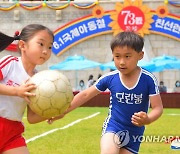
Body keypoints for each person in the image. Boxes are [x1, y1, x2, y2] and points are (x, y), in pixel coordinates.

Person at [50, 31, 163, 154]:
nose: (122, 62)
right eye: (117, 56)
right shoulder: (110, 78)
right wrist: (63, 111)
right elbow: (85, 94)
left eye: (127, 56)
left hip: (135, 133)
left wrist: (148, 119)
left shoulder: (148, 79)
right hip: (113, 127)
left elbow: (158, 108)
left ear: (140, 55)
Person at [0, 24, 54, 154]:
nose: (46, 51)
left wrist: (51, 111)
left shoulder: (38, 79)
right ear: (23, 45)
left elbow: (31, 117)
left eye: (50, 47)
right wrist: (17, 91)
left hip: (12, 133)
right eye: (41, 44)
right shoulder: (10, 63)